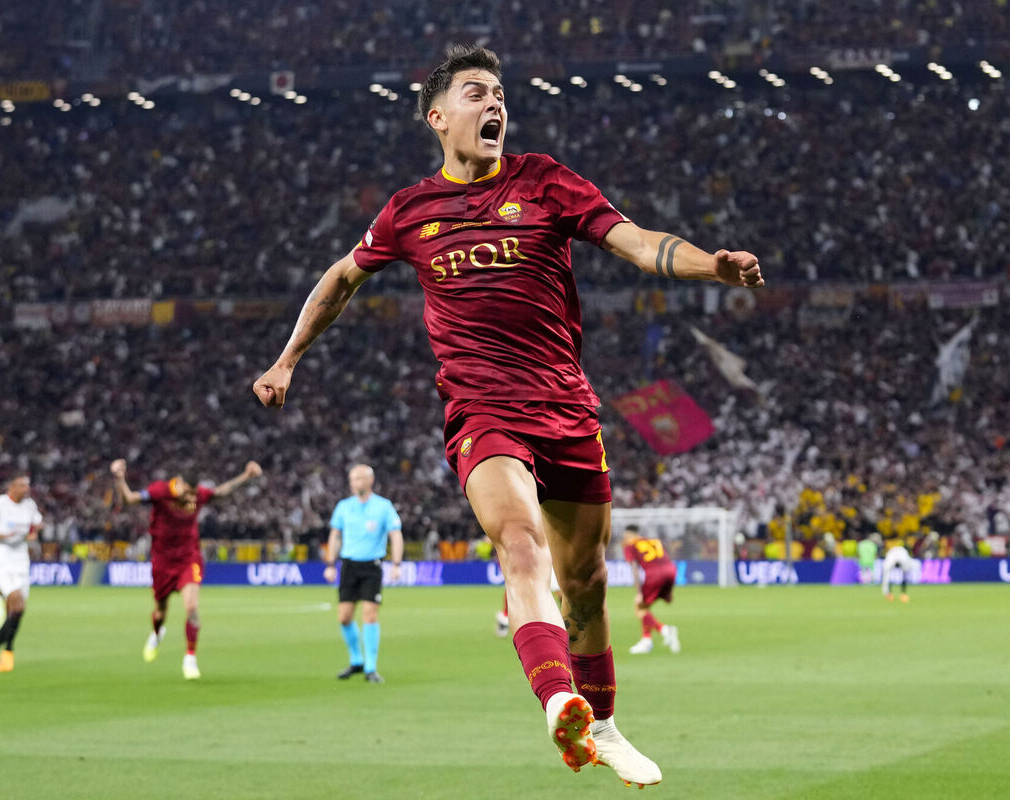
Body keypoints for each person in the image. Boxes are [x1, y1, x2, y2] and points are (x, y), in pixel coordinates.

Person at [252, 44, 762, 788]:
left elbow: (635, 241)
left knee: (584, 578)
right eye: (476, 93)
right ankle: (560, 699)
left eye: (500, 94)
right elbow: (340, 280)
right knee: (519, 545)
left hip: (565, 406)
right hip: (482, 411)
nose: (494, 104)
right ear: (437, 116)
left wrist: (708, 264)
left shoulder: (545, 180)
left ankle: (605, 724)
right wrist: (288, 356)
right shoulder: (409, 210)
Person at [110, 458, 263, 679]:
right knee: (161, 610)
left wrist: (246, 476)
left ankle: (190, 657)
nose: (193, 498)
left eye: (195, 494)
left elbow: (220, 492)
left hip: (188, 558)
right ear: (179, 484)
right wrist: (119, 478)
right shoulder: (160, 491)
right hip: (162, 560)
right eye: (189, 493)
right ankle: (157, 632)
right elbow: (130, 500)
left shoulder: (198, 494)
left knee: (191, 607)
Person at [324, 464, 403, 682]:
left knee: (370, 615)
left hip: (372, 566)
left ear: (370, 480)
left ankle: (371, 667)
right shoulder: (344, 506)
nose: (355, 483)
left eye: (359, 478)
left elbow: (395, 535)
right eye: (352, 479)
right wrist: (330, 564)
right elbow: (335, 535)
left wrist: (396, 564)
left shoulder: (383, 506)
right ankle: (356, 660)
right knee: (344, 617)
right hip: (349, 565)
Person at [0, 474, 42, 672]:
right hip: (2, 556)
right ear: (11, 487)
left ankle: (5, 651)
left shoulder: (29, 505)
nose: (26, 489)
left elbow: (36, 524)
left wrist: (33, 533)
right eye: (22, 486)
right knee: (17, 603)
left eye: (27, 485)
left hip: (21, 557)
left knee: (17, 610)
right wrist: (2, 536)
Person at [622, 526, 680, 655]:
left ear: (629, 535)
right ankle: (646, 641)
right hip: (671, 570)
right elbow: (665, 557)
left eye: (625, 535)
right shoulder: (653, 541)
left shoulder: (630, 545)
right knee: (645, 608)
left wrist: (639, 593)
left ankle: (665, 630)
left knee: (639, 607)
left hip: (655, 574)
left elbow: (635, 569)